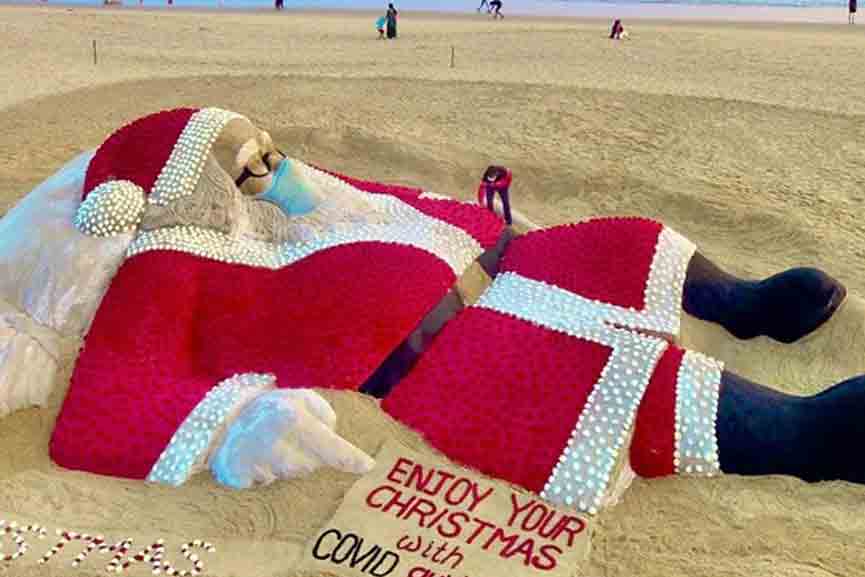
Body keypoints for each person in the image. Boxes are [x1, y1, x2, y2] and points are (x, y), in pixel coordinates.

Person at [4, 108, 865, 513]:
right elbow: (111, 405)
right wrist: (241, 424)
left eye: (264, 148)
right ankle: (801, 434)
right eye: (246, 165)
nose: (275, 168)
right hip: (432, 358)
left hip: (492, 262)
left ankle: (738, 304)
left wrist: (486, 225)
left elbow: (385, 197)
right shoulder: (164, 272)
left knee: (619, 243)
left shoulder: (305, 192)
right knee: (586, 380)